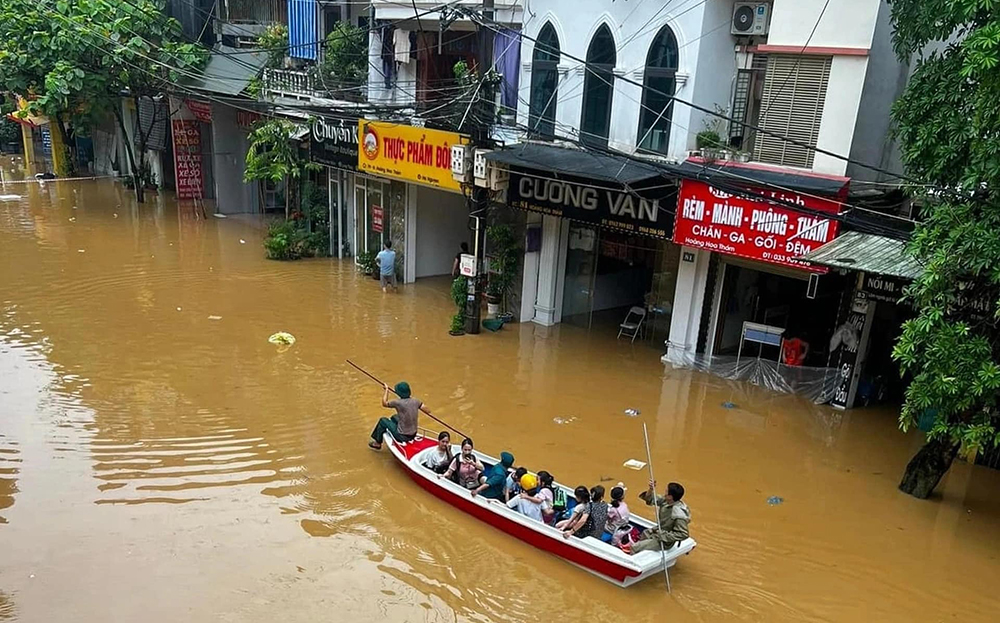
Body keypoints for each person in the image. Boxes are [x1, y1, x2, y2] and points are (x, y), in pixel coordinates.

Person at [631, 481, 691, 554]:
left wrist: (663, 535)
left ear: (670, 496)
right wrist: (651, 489)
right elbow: (650, 499)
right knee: (644, 533)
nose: (664, 492)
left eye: (666, 491)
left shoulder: (678, 514)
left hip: (664, 541)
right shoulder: (666, 501)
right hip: (658, 531)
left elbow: (683, 534)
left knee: (635, 548)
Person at [369, 382, 427, 450]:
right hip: (413, 433)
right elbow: (428, 410)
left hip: (402, 435)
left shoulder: (397, 402)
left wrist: (387, 391)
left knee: (383, 420)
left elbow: (384, 403)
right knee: (394, 417)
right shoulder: (416, 401)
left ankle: (377, 443)